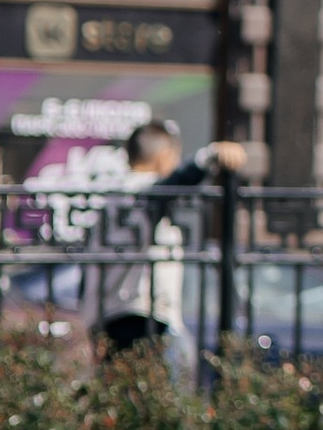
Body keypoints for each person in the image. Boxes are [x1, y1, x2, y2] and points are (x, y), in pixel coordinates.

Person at [92, 118, 248, 364]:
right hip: (143, 310)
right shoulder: (148, 189)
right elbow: (179, 180)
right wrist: (211, 155)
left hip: (108, 311)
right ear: (164, 156)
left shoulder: (109, 195)